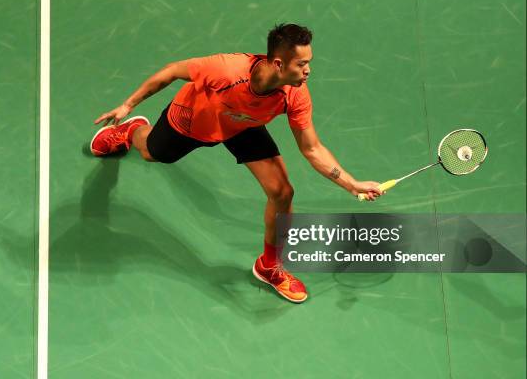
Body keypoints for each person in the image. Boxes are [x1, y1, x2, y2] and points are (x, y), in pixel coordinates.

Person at [90, 23, 382, 303]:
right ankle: (131, 130)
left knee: (282, 192)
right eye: (301, 64)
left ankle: (270, 266)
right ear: (279, 64)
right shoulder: (227, 70)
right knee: (152, 152)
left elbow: (312, 148)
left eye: (309, 62)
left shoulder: (295, 95)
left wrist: (351, 183)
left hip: (243, 125)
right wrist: (129, 105)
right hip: (194, 120)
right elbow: (172, 71)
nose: (308, 70)